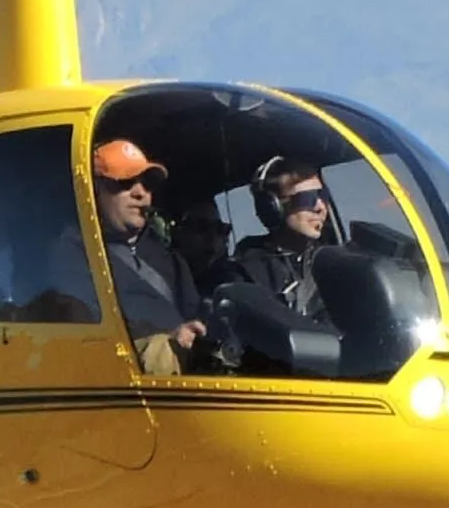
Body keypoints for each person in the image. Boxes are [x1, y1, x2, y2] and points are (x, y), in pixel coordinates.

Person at [91, 138, 209, 375]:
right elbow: (86, 330)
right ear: (94, 190)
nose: (141, 194)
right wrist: (165, 341)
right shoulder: (74, 254)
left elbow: (196, 315)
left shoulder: (171, 260)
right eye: (125, 182)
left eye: (147, 184)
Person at [225, 155, 341, 330]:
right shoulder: (247, 270)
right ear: (272, 207)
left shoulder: (335, 262)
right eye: (306, 199)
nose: (320, 207)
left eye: (322, 195)